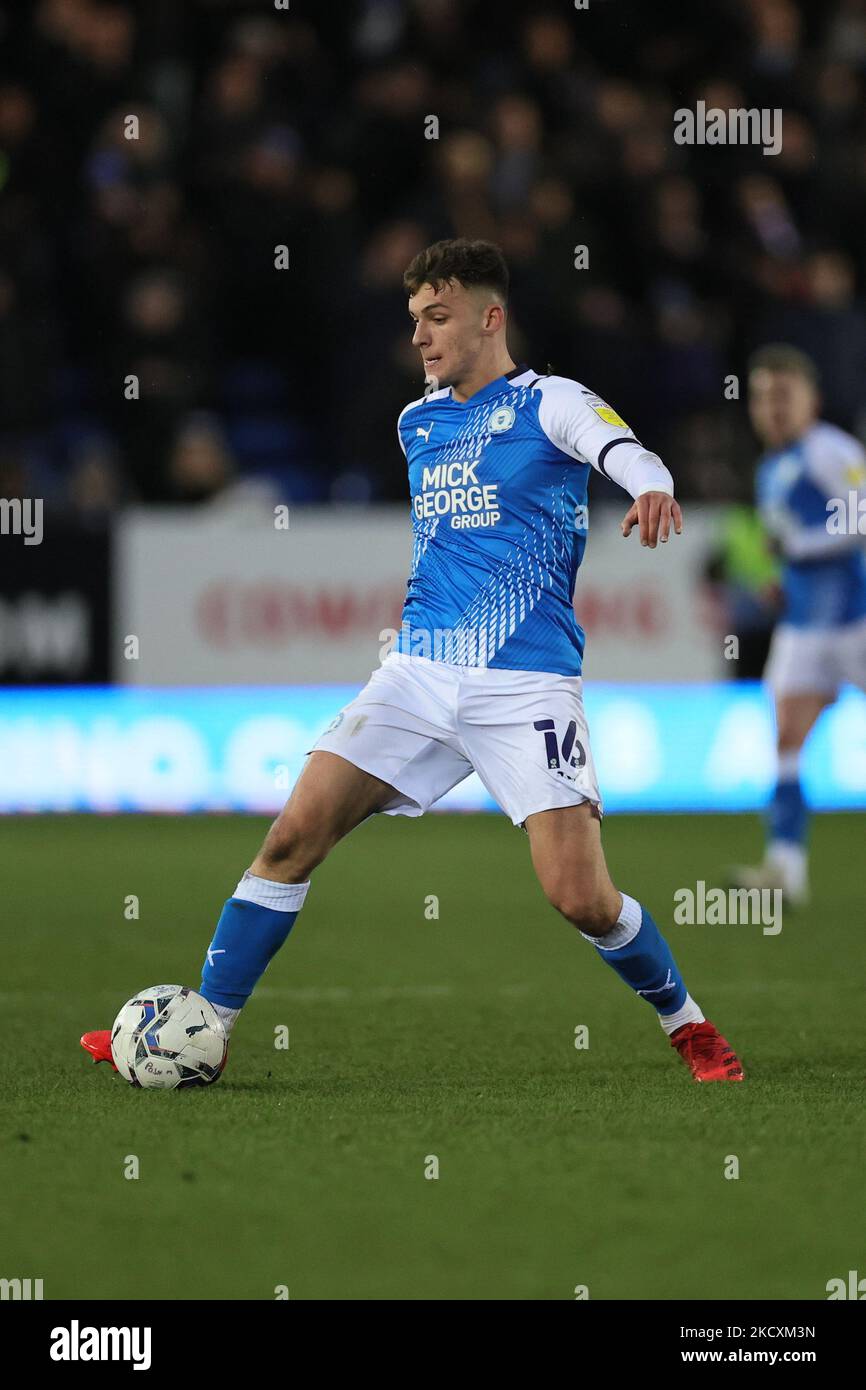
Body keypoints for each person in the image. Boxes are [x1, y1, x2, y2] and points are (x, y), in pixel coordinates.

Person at [82, 238, 743, 1083]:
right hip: (417, 673)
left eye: (439, 317)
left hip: (526, 684)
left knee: (581, 897)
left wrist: (650, 482)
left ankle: (687, 1025)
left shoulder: (551, 403)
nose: (422, 336)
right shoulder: (417, 421)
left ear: (489, 317)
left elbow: (618, 446)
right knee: (291, 836)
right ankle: (199, 1024)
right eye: (415, 320)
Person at [731, 343, 866, 905]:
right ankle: (785, 869)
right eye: (761, 397)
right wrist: (782, 576)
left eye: (784, 395)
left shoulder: (829, 450)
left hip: (856, 618)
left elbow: (860, 520)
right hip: (804, 623)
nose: (771, 408)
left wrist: (799, 548)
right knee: (786, 737)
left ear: (812, 400)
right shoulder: (771, 466)